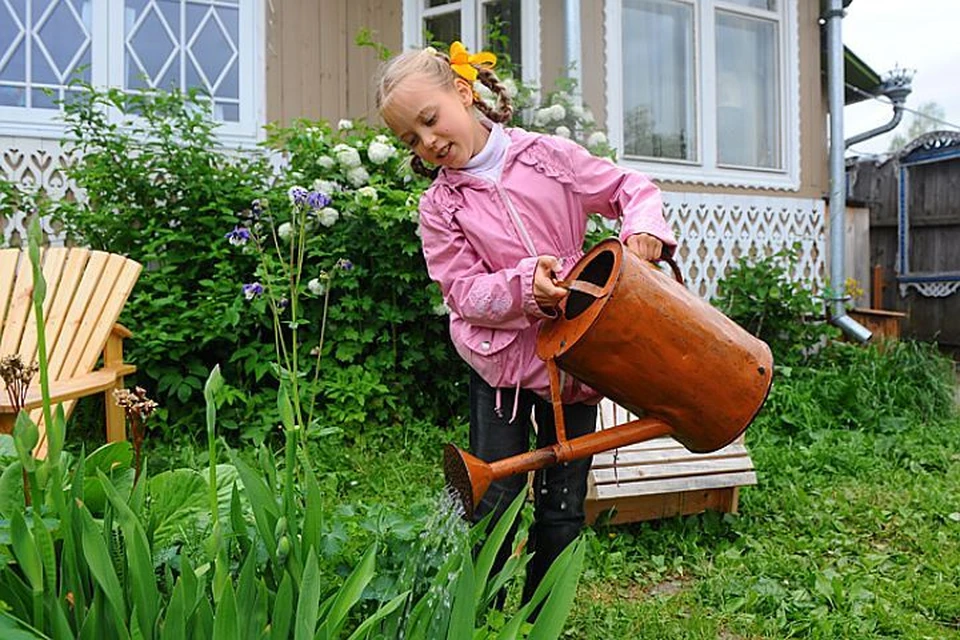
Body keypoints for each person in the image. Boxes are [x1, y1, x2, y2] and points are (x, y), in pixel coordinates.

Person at [375, 41, 677, 603]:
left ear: (463, 94)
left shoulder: (548, 158)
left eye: (430, 119)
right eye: (411, 139)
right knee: (496, 497)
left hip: (577, 359)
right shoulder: (440, 208)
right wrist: (522, 289)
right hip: (503, 370)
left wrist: (644, 228)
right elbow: (462, 292)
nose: (428, 142)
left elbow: (629, 188)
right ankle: (482, 616)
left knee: (562, 505)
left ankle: (541, 618)